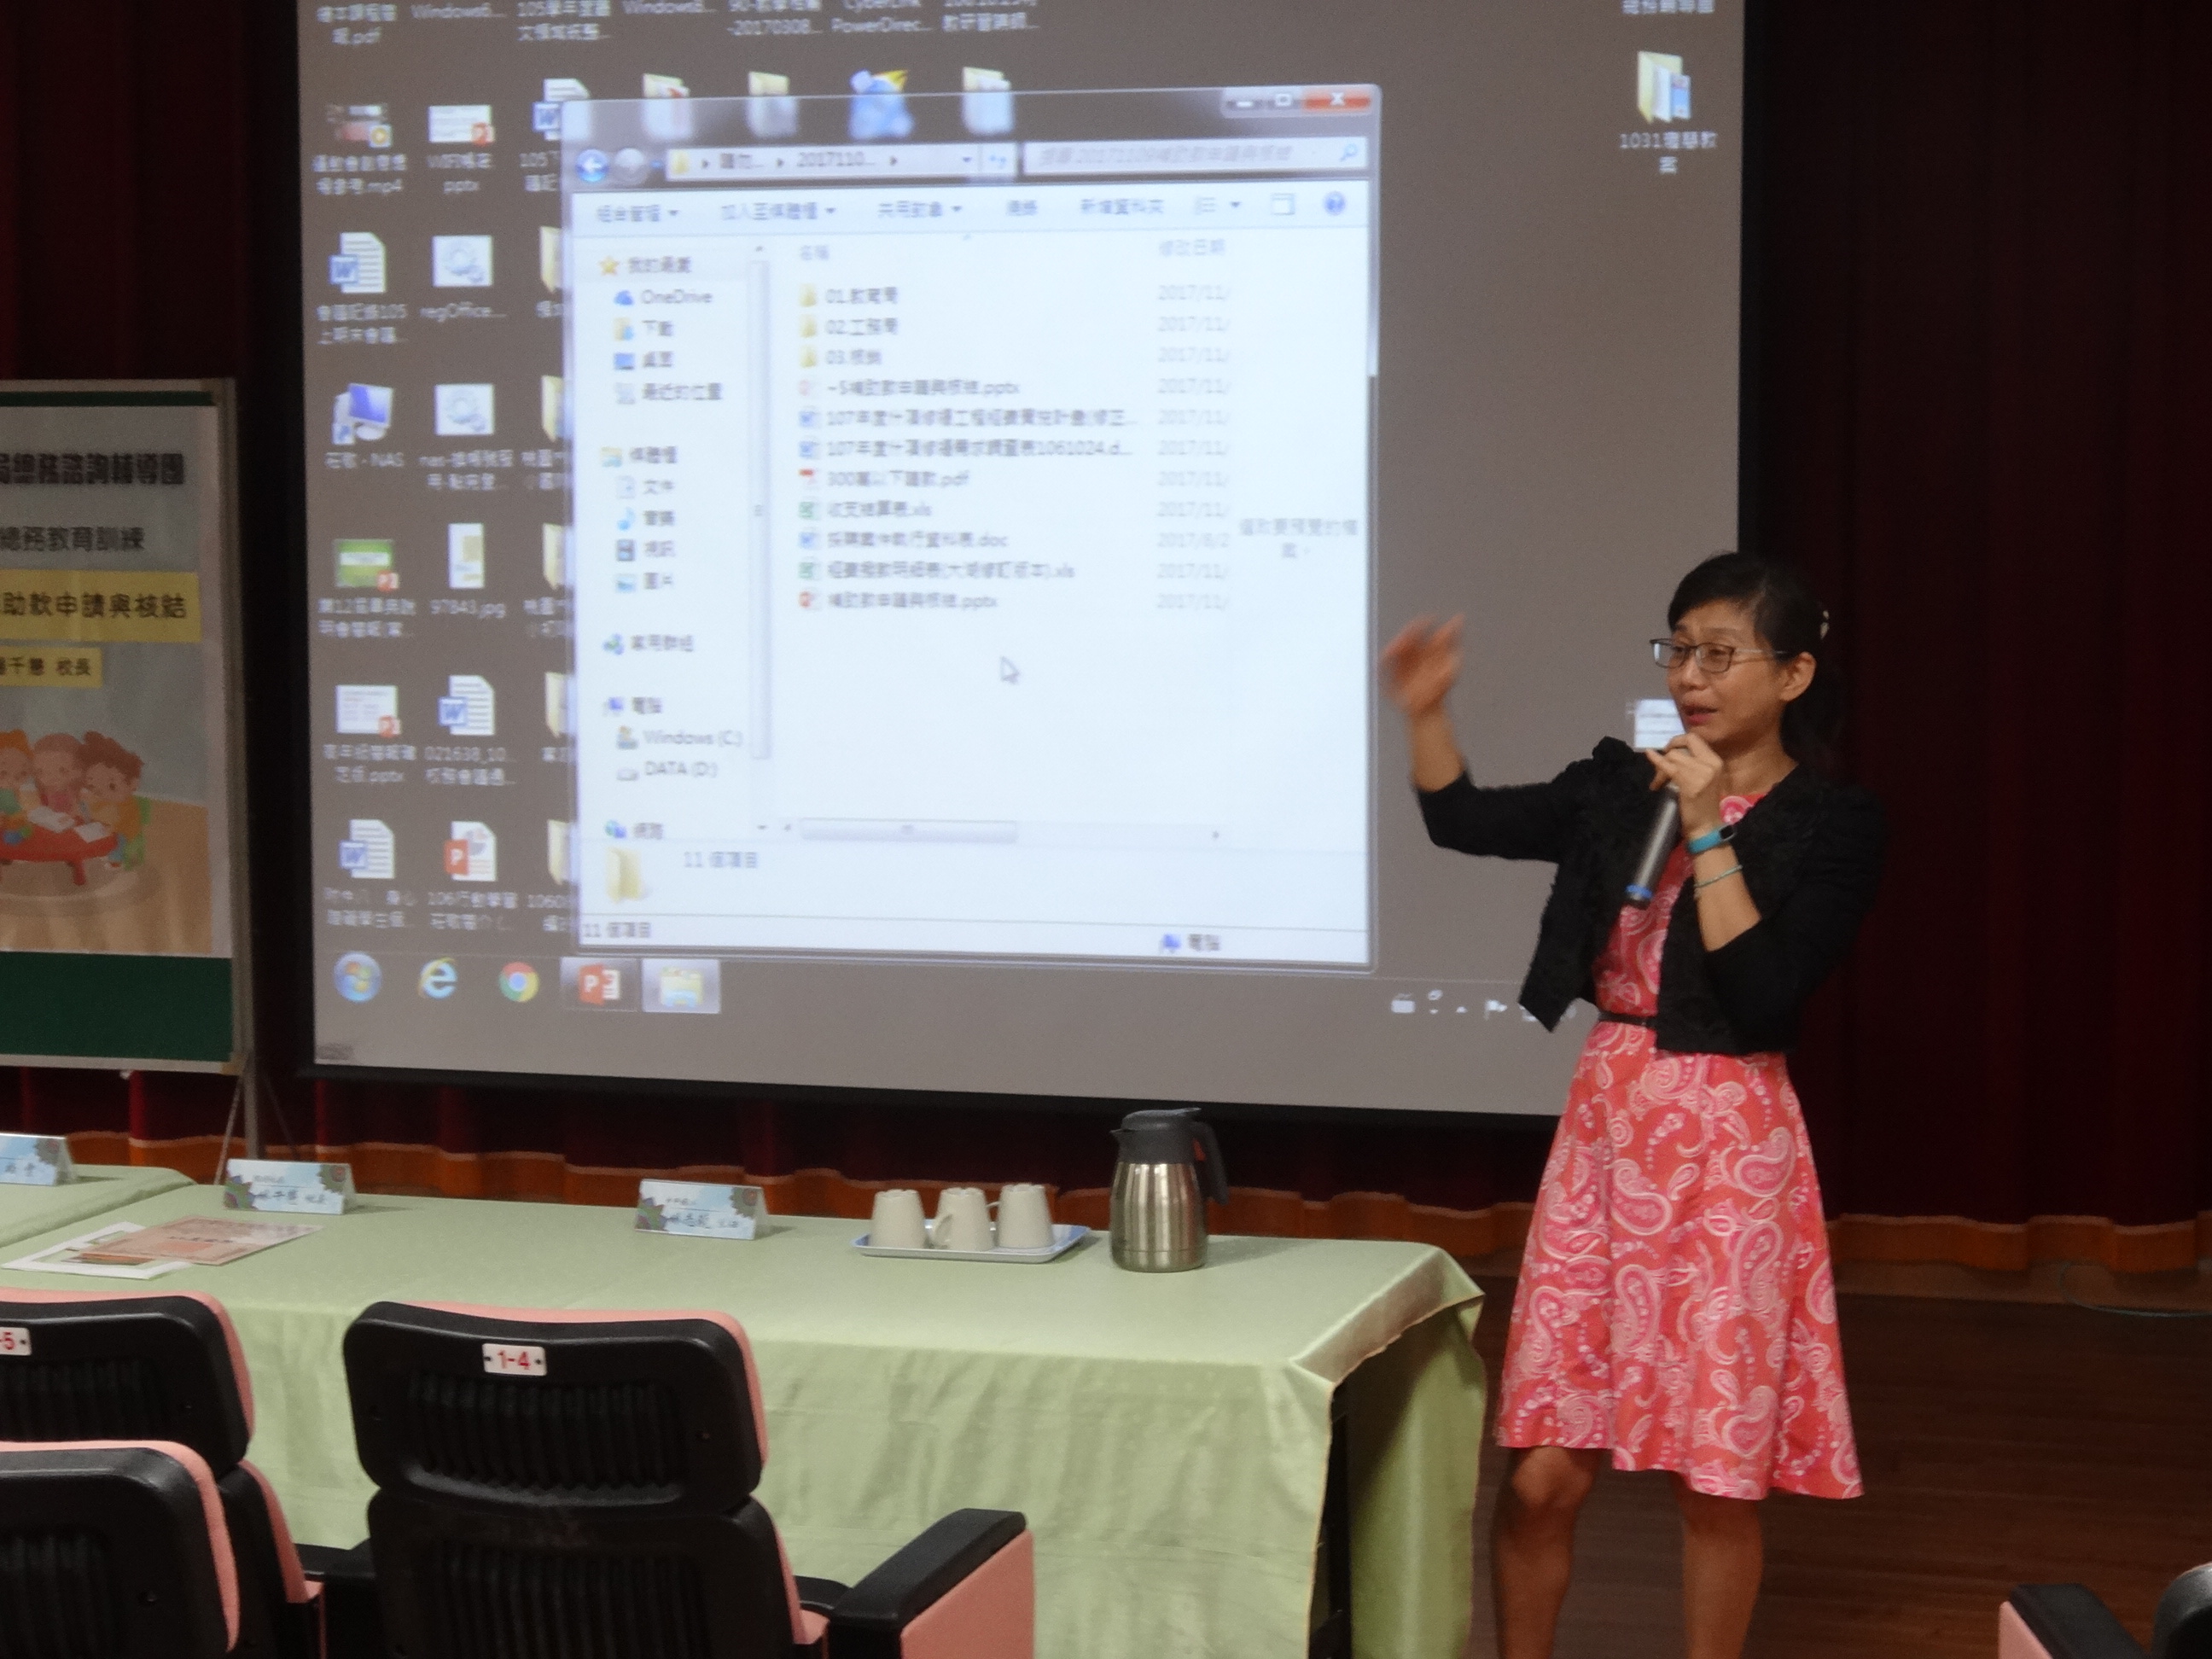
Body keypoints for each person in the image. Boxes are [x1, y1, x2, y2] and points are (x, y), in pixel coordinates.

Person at [1381, 553, 1884, 1659]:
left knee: (1716, 1480)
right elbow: (1462, 820)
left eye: (1720, 653)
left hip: (1732, 1139)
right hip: (1609, 1126)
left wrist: (1708, 829)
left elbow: (1763, 994)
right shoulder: (1621, 788)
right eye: (1678, 650)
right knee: (1543, 1474)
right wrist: (1425, 714)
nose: (1691, 676)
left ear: (1794, 673)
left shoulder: (1832, 822)